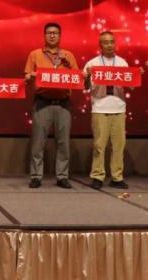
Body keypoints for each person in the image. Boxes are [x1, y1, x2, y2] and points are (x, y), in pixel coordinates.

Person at [24, 22, 79, 189]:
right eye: (49, 33)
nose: (52, 35)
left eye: (55, 33)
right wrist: (31, 76)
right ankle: (36, 176)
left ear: (60, 36)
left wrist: (69, 66)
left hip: (63, 103)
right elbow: (27, 76)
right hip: (42, 102)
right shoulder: (35, 54)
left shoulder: (68, 55)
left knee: (63, 142)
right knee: (38, 142)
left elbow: (77, 77)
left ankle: (62, 176)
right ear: (44, 35)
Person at [83, 30, 131, 190]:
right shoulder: (92, 64)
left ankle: (117, 177)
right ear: (100, 45)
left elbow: (131, 85)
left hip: (119, 107)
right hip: (100, 107)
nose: (109, 45)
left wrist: (136, 76)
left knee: (118, 145)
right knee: (99, 145)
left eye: (112, 42)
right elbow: (85, 87)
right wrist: (87, 77)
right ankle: (98, 176)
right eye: (106, 42)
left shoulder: (122, 63)